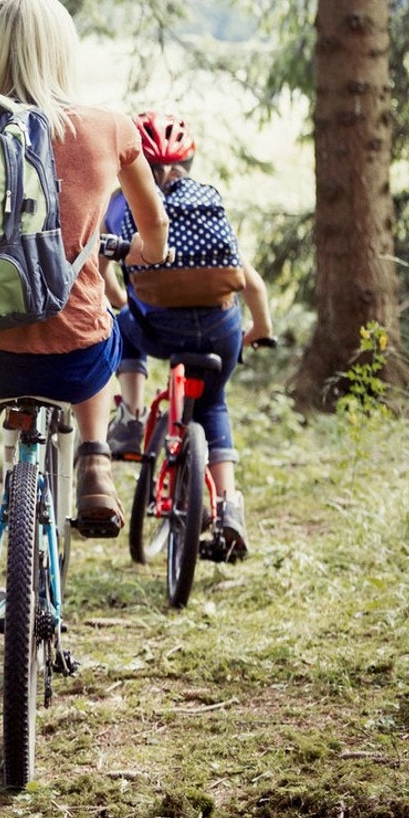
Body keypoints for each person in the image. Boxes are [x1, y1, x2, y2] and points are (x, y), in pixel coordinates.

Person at [0, 0, 169, 681]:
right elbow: (152, 232)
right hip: (74, 356)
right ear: (63, 48)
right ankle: (94, 459)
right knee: (107, 329)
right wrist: (130, 254)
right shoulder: (109, 127)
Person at [101, 110, 273, 557]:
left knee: (122, 323)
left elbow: (103, 272)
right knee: (213, 404)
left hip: (158, 329)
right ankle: (228, 508)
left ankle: (131, 416)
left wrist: (123, 302)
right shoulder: (208, 204)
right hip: (220, 330)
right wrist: (258, 330)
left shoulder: (121, 205)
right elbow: (250, 283)